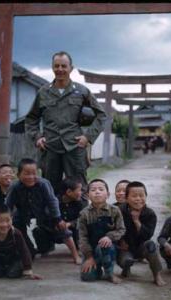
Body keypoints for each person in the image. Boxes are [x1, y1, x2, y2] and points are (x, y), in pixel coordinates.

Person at [25, 51, 107, 197]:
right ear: (52, 67)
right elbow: (31, 118)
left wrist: (87, 137)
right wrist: (37, 137)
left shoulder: (81, 91)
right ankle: (50, 220)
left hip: (74, 146)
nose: (60, 69)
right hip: (50, 147)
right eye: (56, 66)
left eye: (64, 66)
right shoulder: (43, 92)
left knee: (79, 189)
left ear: (71, 68)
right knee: (49, 189)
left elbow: (101, 115)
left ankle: (80, 219)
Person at [5, 158, 81, 264]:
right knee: (11, 231)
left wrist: (57, 219)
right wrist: (7, 219)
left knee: (62, 229)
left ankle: (75, 255)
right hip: (22, 214)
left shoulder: (43, 184)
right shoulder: (15, 187)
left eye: (34, 173)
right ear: (18, 175)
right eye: (27, 173)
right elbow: (8, 205)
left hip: (45, 213)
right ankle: (15, 254)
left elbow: (52, 201)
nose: (31, 177)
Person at [117, 181, 165, 286]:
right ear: (126, 198)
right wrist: (120, 241)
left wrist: (137, 221)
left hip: (141, 246)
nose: (138, 199)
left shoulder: (150, 214)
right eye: (134, 196)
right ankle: (126, 269)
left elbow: (147, 235)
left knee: (151, 245)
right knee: (126, 261)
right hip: (126, 247)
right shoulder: (119, 211)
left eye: (141, 195)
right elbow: (113, 229)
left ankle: (157, 275)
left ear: (146, 196)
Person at [78, 178, 126, 284]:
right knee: (88, 277)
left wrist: (109, 236)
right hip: (92, 249)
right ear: (87, 195)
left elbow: (121, 229)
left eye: (101, 189)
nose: (97, 192)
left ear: (107, 194)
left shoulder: (114, 211)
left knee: (105, 244)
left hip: (110, 249)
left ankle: (110, 273)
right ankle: (97, 268)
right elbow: (82, 237)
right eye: (93, 190)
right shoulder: (84, 214)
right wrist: (89, 257)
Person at [57, 177, 88, 251]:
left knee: (81, 228)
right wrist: (57, 223)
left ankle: (77, 244)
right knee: (39, 231)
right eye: (79, 190)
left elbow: (83, 219)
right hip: (57, 230)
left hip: (74, 230)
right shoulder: (55, 202)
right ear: (69, 192)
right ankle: (47, 247)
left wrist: (70, 224)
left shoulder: (82, 202)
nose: (81, 193)